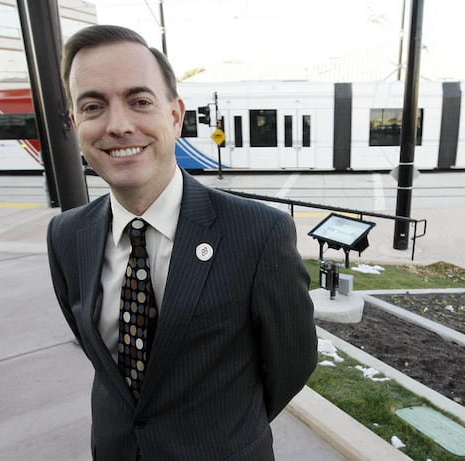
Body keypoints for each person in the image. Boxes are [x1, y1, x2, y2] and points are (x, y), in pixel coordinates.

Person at [46, 25, 317, 460]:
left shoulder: (258, 234)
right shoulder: (65, 235)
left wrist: (226, 431)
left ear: (175, 115)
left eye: (140, 101)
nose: (118, 125)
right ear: (77, 124)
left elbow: (293, 362)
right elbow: (101, 360)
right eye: (94, 106)